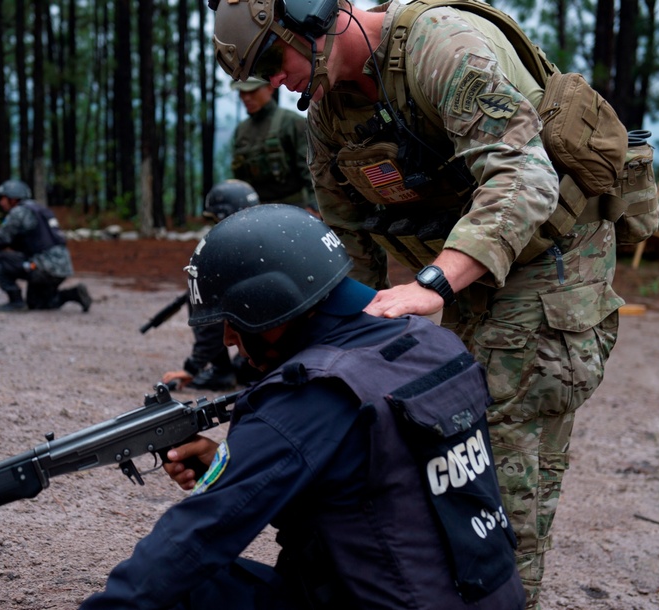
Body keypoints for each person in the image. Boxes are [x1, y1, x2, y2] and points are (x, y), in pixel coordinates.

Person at [211, 1, 625, 607]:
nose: (271, 80)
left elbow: (524, 178)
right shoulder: (329, 113)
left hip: (549, 263)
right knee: (429, 447)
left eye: (272, 58)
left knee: (496, 471)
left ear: (310, 16)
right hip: (469, 270)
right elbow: (344, 248)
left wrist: (431, 284)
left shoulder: (443, 48)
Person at [81, 204, 525, 609]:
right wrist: (232, 464)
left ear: (274, 302)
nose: (229, 340)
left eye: (233, 321)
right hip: (485, 596)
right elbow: (378, 490)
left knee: (186, 589)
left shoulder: (307, 393)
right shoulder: (430, 343)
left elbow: (193, 538)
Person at [161, 180, 261, 391]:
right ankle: (256, 362)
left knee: (200, 294)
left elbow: (212, 317)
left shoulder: (229, 252)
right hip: (292, 346)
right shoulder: (264, 240)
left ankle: (222, 371)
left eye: (216, 218)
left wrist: (193, 367)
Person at [0, 179, 91, 313]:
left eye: (3, 198)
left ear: (13, 199)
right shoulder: (39, 209)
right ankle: (74, 294)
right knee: (37, 303)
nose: (0, 202)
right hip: (61, 268)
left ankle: (16, 301)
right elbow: (27, 242)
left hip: (42, 267)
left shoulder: (19, 212)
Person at [230, 77, 316, 212]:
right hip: (255, 211)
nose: (246, 97)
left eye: (252, 91)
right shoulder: (241, 130)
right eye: (242, 92)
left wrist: (314, 206)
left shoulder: (292, 123)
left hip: (293, 209)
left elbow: (312, 171)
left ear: (269, 88)